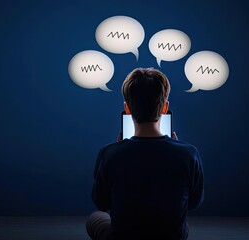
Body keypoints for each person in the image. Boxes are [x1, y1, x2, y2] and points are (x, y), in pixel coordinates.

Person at [86, 68, 204, 240]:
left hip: (123, 237)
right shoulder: (189, 153)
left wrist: (115, 153)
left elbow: (101, 202)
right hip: (172, 237)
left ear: (127, 109)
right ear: (165, 107)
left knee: (95, 218)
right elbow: (193, 203)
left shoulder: (109, 153)